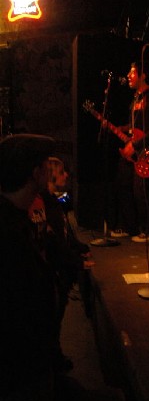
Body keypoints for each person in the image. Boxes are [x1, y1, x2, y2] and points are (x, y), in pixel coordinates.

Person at [0, 133, 59, 401]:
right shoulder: (9, 237)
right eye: (49, 164)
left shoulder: (15, 220)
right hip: (18, 373)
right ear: (35, 172)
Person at [29, 156, 93, 372]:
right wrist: (75, 260)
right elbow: (55, 241)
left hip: (61, 271)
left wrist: (78, 248)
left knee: (56, 319)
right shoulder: (45, 205)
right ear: (51, 175)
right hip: (56, 273)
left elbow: (64, 235)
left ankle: (54, 359)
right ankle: (52, 363)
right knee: (52, 321)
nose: (66, 175)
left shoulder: (53, 203)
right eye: (62, 172)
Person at [109, 59, 149, 242]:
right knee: (122, 183)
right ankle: (130, 227)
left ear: (143, 75)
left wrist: (136, 145)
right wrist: (122, 129)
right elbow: (136, 126)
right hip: (137, 149)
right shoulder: (136, 98)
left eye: (132, 72)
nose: (129, 76)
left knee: (142, 189)